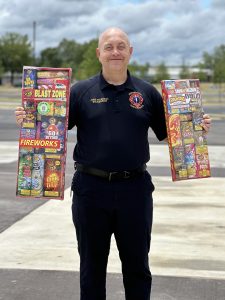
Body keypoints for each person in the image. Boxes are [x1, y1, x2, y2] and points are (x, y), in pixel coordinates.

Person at [15, 27, 212, 300]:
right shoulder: (80, 92)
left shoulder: (147, 93)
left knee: (137, 268)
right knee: (92, 269)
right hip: (90, 191)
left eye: (121, 46)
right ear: (99, 54)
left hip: (135, 190)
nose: (115, 52)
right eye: (109, 47)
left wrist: (196, 128)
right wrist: (30, 119)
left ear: (130, 52)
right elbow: (51, 129)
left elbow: (172, 136)